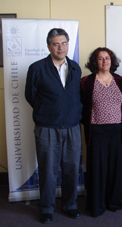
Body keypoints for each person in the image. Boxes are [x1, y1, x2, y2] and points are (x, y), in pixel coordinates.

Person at [25, 28, 82, 224]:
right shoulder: (37, 68)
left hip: (73, 127)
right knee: (48, 171)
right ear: (49, 46)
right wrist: (47, 112)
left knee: (71, 168)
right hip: (47, 128)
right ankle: (47, 208)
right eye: (56, 44)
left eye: (64, 43)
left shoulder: (75, 67)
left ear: (68, 44)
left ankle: (70, 205)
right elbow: (30, 96)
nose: (61, 47)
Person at [80, 47, 122, 217]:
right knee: (98, 169)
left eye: (107, 58)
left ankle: (113, 201)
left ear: (112, 60)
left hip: (117, 131)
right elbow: (81, 107)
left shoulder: (120, 81)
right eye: (100, 58)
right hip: (97, 131)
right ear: (95, 62)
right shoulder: (86, 81)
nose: (104, 61)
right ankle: (97, 205)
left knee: (115, 169)